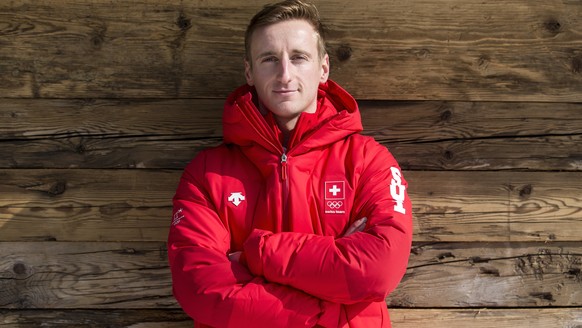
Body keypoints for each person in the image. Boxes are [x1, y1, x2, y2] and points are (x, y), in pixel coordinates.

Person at [167, 0, 413, 327]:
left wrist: (256, 254)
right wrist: (330, 308)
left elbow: (377, 270)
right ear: (249, 72)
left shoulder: (369, 161)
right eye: (269, 59)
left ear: (323, 68)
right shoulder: (206, 174)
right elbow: (201, 290)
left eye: (299, 57)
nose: (285, 74)